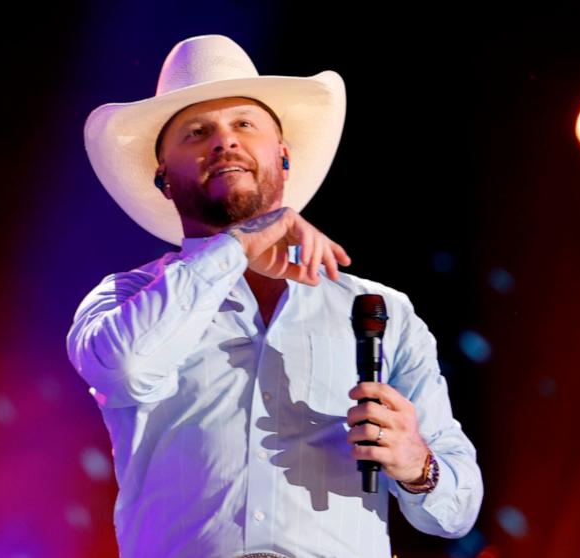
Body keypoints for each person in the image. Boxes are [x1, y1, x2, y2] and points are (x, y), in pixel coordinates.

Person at [67, 34, 483, 558]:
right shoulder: (126, 298)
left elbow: (457, 511)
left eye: (244, 124)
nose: (224, 142)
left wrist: (416, 465)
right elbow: (123, 368)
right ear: (163, 178)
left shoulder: (379, 310)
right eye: (197, 132)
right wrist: (238, 243)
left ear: (283, 155)